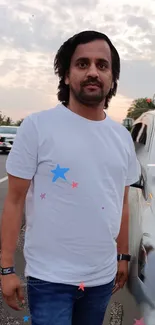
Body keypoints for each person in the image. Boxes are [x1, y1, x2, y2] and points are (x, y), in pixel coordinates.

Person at [0, 30, 140, 325]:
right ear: (65, 75)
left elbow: (122, 202)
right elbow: (14, 201)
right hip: (48, 279)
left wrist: (123, 256)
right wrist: (6, 268)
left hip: (101, 279)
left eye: (102, 66)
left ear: (112, 78)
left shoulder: (122, 138)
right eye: (82, 64)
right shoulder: (38, 127)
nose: (92, 72)